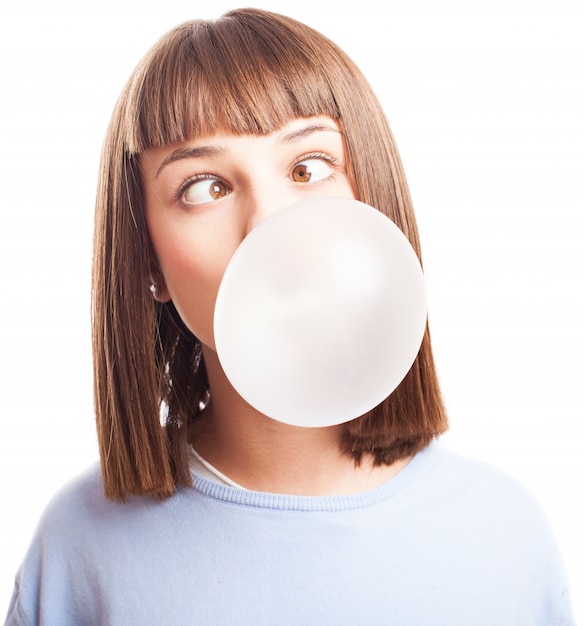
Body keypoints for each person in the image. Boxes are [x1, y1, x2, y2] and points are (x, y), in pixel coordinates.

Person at [4, 8, 575, 625]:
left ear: (371, 199)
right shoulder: (80, 550)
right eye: (204, 187)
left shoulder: (503, 536)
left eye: (308, 168)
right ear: (147, 257)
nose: (270, 225)